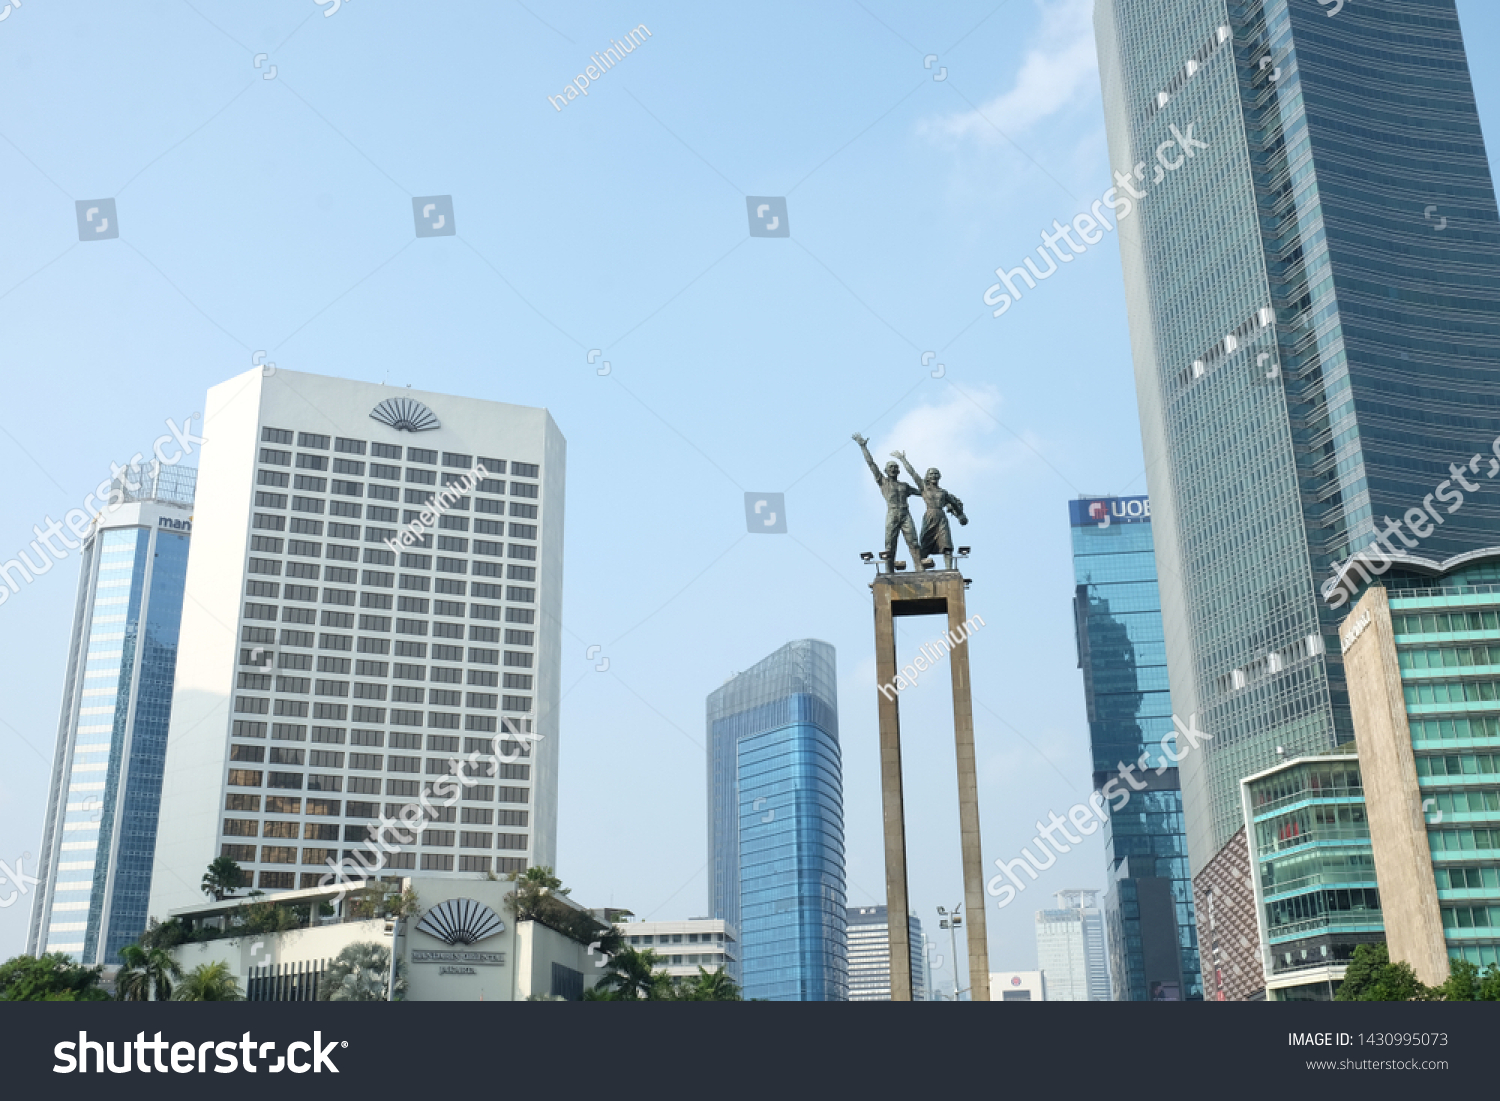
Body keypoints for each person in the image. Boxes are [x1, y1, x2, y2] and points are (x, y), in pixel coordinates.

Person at [853, 433, 925, 572]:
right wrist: (863, 447)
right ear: (886, 471)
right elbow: (871, 464)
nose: (893, 469)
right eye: (890, 467)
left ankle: (919, 566)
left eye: (895, 467)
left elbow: (924, 494)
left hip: (905, 514)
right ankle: (889, 569)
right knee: (890, 545)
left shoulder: (905, 486)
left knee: (914, 542)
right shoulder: (883, 482)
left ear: (898, 470)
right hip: (892, 513)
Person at [892, 450, 968, 570]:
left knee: (946, 545)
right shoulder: (924, 488)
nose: (934, 476)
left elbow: (954, 503)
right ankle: (920, 569)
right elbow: (912, 473)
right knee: (925, 544)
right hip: (929, 517)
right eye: (931, 474)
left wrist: (961, 516)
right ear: (927, 477)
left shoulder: (943, 492)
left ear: (939, 476)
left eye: (936, 474)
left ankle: (948, 570)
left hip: (941, 518)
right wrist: (903, 459)